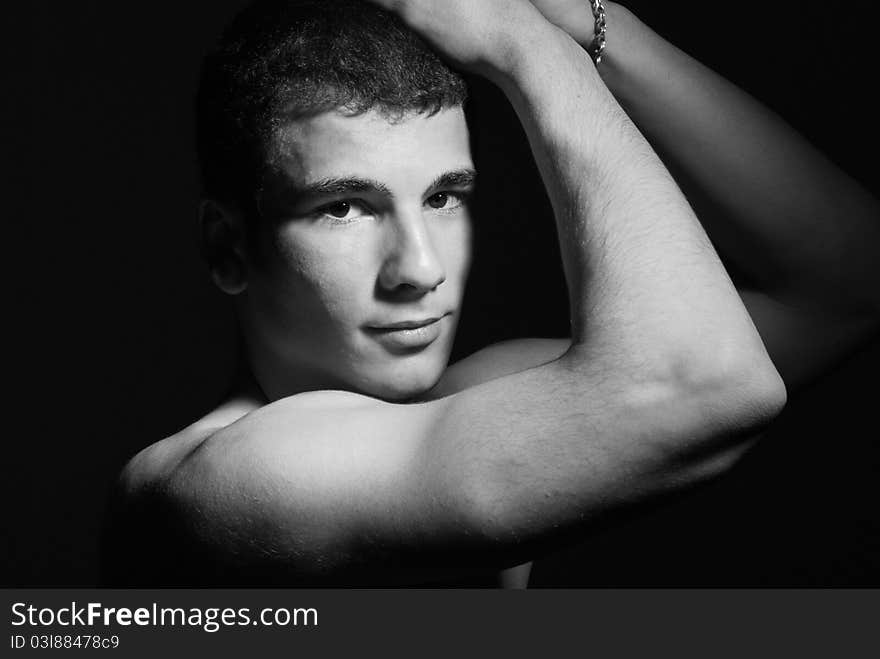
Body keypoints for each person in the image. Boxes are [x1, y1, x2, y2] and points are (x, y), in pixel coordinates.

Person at [103, 0, 879, 587]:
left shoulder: (474, 401)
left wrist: (595, 23)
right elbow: (706, 384)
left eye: (445, 196)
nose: (420, 268)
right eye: (345, 206)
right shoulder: (215, 482)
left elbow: (847, 282)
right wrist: (524, 44)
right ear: (228, 246)